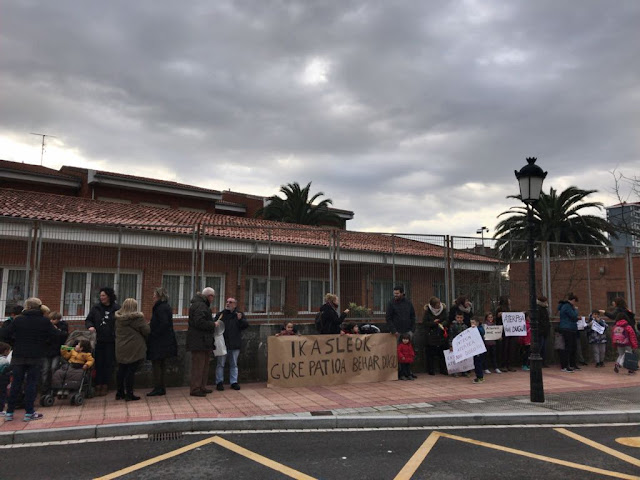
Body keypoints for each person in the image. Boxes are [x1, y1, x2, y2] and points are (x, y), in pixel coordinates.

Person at [0, 297, 59, 422]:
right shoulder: (44, 321)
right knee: (31, 384)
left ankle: (10, 412)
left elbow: (4, 334)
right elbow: (55, 336)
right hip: (36, 356)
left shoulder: (18, 320)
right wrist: (44, 342)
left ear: (26, 306)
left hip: (19, 355)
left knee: (16, 383)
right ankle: (29, 412)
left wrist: (15, 341)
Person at [85, 287, 120, 396]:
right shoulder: (96, 308)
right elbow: (88, 319)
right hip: (98, 340)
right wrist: (90, 326)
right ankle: (97, 384)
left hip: (111, 340)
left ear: (109, 296)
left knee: (108, 362)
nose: (102, 298)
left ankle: (106, 384)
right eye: (100, 296)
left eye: (104, 295)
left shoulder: (116, 308)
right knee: (98, 362)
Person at [187, 287, 220, 397]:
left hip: (203, 341)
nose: (213, 299)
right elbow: (199, 322)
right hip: (199, 341)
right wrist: (213, 324)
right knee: (199, 366)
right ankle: (196, 388)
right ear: (209, 296)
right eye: (213, 296)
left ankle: (201, 386)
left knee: (204, 365)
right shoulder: (200, 306)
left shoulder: (200, 304)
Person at [114, 298, 149, 401]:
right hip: (134, 348)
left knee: (121, 370)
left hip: (121, 346)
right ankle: (129, 394)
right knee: (131, 371)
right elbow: (146, 331)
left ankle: (119, 392)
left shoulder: (118, 319)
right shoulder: (137, 318)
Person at [146, 287, 178, 397]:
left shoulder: (160, 308)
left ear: (159, 296)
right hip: (164, 341)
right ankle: (161, 387)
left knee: (157, 364)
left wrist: (153, 333)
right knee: (161, 364)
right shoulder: (165, 307)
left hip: (159, 341)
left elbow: (163, 324)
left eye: (154, 295)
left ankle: (158, 387)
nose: (153, 297)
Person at [215, 297, 248, 392]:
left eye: (230, 302)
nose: (228, 303)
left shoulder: (239, 314)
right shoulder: (221, 314)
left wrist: (240, 320)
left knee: (234, 364)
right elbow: (216, 326)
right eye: (227, 302)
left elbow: (245, 326)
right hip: (223, 343)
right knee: (220, 364)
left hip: (234, 343)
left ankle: (234, 382)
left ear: (235, 304)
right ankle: (219, 382)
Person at [41, 311, 68, 394]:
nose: (52, 321)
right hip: (46, 351)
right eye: (51, 319)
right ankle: (45, 388)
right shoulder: (46, 326)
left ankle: (54, 387)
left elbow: (64, 336)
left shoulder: (62, 326)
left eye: (54, 319)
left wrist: (57, 331)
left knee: (54, 368)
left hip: (56, 351)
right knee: (45, 370)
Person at [423, 297, 449, 376]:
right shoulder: (428, 312)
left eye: (439, 304)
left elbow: (447, 320)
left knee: (442, 353)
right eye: (436, 305)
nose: (438, 306)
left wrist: (442, 324)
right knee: (431, 353)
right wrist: (434, 323)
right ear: (432, 306)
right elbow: (425, 323)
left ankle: (443, 369)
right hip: (431, 334)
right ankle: (431, 369)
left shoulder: (444, 310)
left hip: (442, 333)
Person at [557, 293, 579, 373]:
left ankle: (572, 364)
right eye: (575, 302)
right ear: (573, 300)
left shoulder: (565, 306)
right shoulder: (567, 306)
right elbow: (573, 316)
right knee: (568, 347)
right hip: (568, 328)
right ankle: (565, 366)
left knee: (572, 347)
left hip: (569, 328)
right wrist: (576, 310)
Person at [496, 295, 516, 372]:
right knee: (504, 348)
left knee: (510, 348)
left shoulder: (509, 309)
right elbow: (497, 319)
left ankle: (509, 364)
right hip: (504, 331)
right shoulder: (499, 309)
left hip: (510, 331)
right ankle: (503, 364)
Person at [448, 311, 469, 377]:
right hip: (455, 344)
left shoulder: (465, 326)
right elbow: (450, 336)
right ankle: (455, 371)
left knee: (463, 357)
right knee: (456, 357)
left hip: (463, 344)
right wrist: (451, 345)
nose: (459, 319)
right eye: (458, 317)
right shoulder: (452, 326)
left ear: (463, 318)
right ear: (455, 318)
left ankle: (464, 371)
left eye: (461, 318)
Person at [536, 296, 551, 368]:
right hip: (541, 331)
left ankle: (543, 361)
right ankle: (540, 362)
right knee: (540, 346)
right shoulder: (539, 309)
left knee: (543, 347)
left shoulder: (544, 309)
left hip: (544, 331)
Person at [470, 318, 485, 383]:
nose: (472, 324)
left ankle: (480, 377)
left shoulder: (480, 328)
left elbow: (482, 332)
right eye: (471, 323)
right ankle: (478, 376)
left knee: (478, 363)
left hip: (479, 348)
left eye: (474, 322)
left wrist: (476, 328)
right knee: (476, 363)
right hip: (475, 348)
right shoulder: (471, 329)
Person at [0, 342, 11, 415]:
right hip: (2, 381)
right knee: (2, 395)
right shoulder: (5, 361)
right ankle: (0, 409)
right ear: (5, 351)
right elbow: (7, 371)